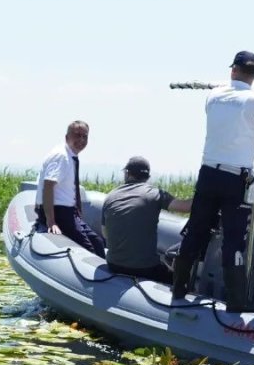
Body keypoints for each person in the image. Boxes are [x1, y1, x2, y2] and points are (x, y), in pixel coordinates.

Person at [172, 50, 254, 312]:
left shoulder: (213, 96)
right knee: (234, 238)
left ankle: (178, 288)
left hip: (208, 173)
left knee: (196, 229)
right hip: (235, 178)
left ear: (233, 70)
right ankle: (236, 302)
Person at [101, 156, 192, 283]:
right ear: (148, 177)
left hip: (114, 265)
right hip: (145, 269)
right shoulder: (155, 193)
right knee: (177, 281)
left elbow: (105, 233)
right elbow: (185, 207)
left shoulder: (111, 195)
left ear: (127, 174)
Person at [34, 120, 106, 257]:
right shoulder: (61, 156)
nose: (81, 139)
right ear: (67, 137)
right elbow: (48, 186)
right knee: (88, 251)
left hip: (69, 212)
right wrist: (51, 221)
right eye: (77, 135)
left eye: (85, 136)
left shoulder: (70, 155)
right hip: (59, 212)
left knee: (98, 242)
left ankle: (109, 277)